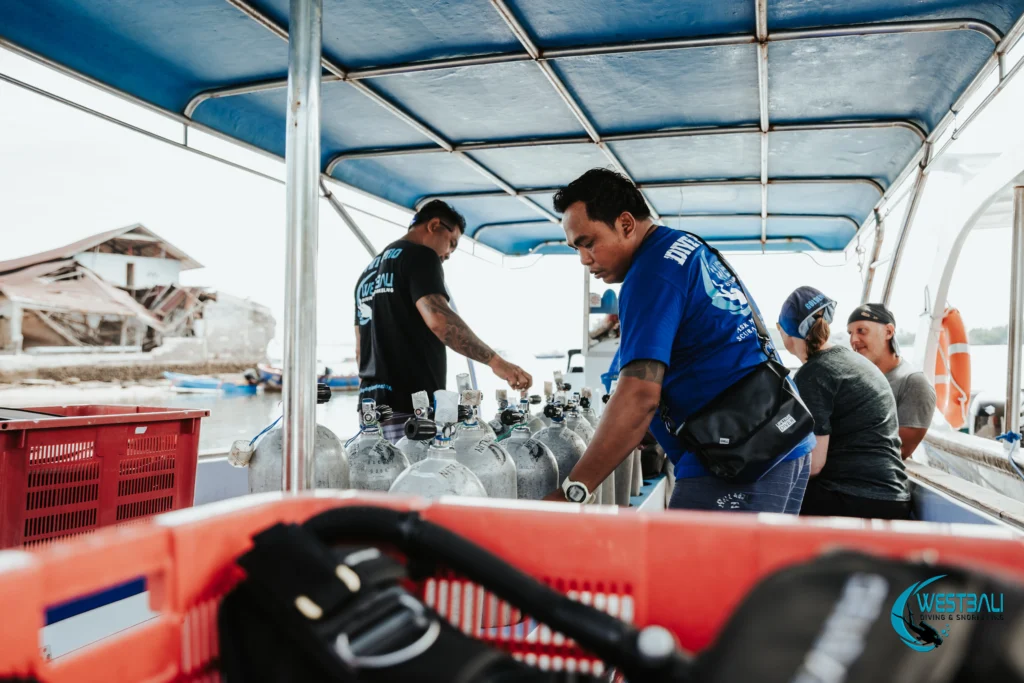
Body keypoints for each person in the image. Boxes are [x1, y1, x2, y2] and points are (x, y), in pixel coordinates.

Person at [543, 168, 815, 512]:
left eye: (588, 242)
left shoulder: (649, 274)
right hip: (783, 433)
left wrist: (572, 491)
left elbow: (639, 396)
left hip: (739, 456)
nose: (584, 259)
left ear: (626, 224)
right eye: (575, 248)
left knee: (688, 567)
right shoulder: (688, 247)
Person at [354, 200, 531, 442]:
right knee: (414, 476)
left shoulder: (369, 272)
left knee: (381, 477)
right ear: (435, 225)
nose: (447, 254)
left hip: (370, 407)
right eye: (452, 243)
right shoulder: (420, 255)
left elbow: (359, 347)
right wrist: (495, 361)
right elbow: (439, 320)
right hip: (410, 406)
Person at [778, 287, 912, 520]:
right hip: (894, 496)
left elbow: (814, 465)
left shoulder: (813, 374)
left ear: (784, 332)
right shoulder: (851, 360)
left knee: (762, 502)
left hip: (855, 498)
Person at [847, 303, 936, 459]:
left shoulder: (913, 382)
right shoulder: (856, 380)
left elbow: (900, 450)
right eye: (850, 333)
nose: (854, 340)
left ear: (888, 331)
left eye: (861, 331)